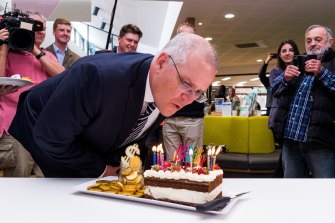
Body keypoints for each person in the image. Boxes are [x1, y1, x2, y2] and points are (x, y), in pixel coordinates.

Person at [9, 32, 218, 177]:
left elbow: (122, 129)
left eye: (198, 92)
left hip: (83, 137)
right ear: (162, 63)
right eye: (187, 84)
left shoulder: (166, 91)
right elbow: (51, 138)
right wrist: (101, 170)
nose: (189, 98)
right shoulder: (98, 77)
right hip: (41, 128)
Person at [0, 11, 65, 177]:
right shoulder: (9, 54)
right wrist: (2, 47)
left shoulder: (47, 55)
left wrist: (35, 51)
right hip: (15, 129)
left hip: (43, 130)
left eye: (43, 28)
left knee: (45, 182)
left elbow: (63, 76)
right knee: (18, 181)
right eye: (35, 28)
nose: (41, 31)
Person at [271, 25, 335, 178]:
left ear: (330, 42)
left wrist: (322, 72)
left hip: (321, 141)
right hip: (291, 139)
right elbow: (275, 91)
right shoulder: (298, 62)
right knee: (292, 190)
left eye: (318, 39)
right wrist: (285, 79)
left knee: (324, 189)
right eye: (308, 40)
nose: (312, 43)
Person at [162, 23, 206, 161]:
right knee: (172, 163)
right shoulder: (167, 58)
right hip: (170, 119)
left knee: (192, 163)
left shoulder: (203, 59)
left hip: (192, 120)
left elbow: (201, 86)